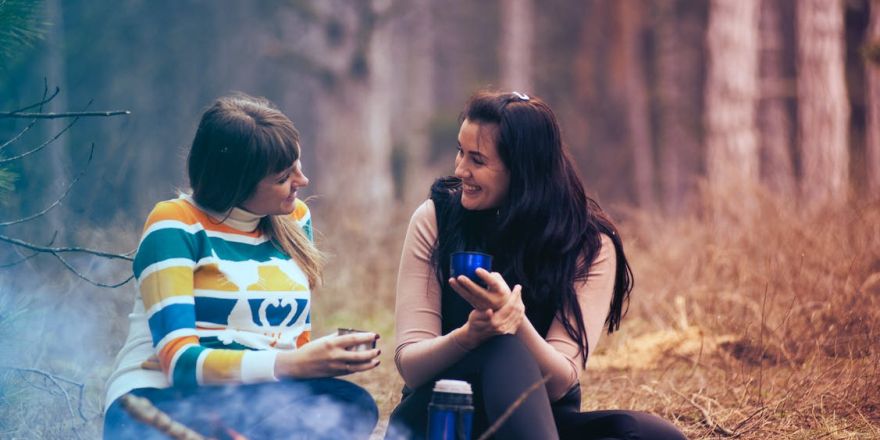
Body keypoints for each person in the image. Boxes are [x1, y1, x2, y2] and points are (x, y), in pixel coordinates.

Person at [388, 91, 686, 439]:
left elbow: (561, 382)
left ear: (523, 170)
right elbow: (411, 365)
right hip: (441, 419)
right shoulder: (435, 220)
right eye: (460, 151)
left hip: (539, 422)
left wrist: (516, 322)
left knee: (656, 435)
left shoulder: (589, 244)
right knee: (499, 345)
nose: (460, 170)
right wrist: (471, 335)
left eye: (477, 160)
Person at [103, 94, 380, 439]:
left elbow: (293, 341)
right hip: (160, 398)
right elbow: (180, 364)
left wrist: (318, 360)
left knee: (352, 404)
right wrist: (290, 364)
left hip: (252, 397)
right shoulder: (175, 224)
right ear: (236, 182)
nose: (303, 181)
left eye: (297, 164)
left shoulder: (294, 219)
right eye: (283, 176)